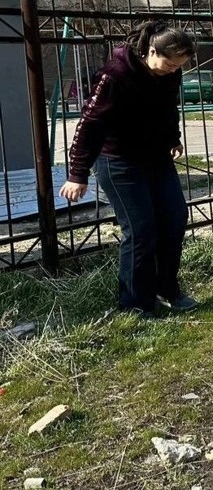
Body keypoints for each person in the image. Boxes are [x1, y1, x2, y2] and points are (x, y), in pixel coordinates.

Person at [59, 20, 198, 317]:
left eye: (179, 66)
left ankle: (167, 289)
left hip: (156, 157)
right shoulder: (115, 75)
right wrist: (77, 172)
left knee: (174, 218)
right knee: (140, 230)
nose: (173, 70)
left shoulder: (168, 73)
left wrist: (172, 137)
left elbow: (167, 106)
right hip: (118, 160)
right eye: (169, 63)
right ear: (150, 51)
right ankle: (135, 304)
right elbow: (90, 123)